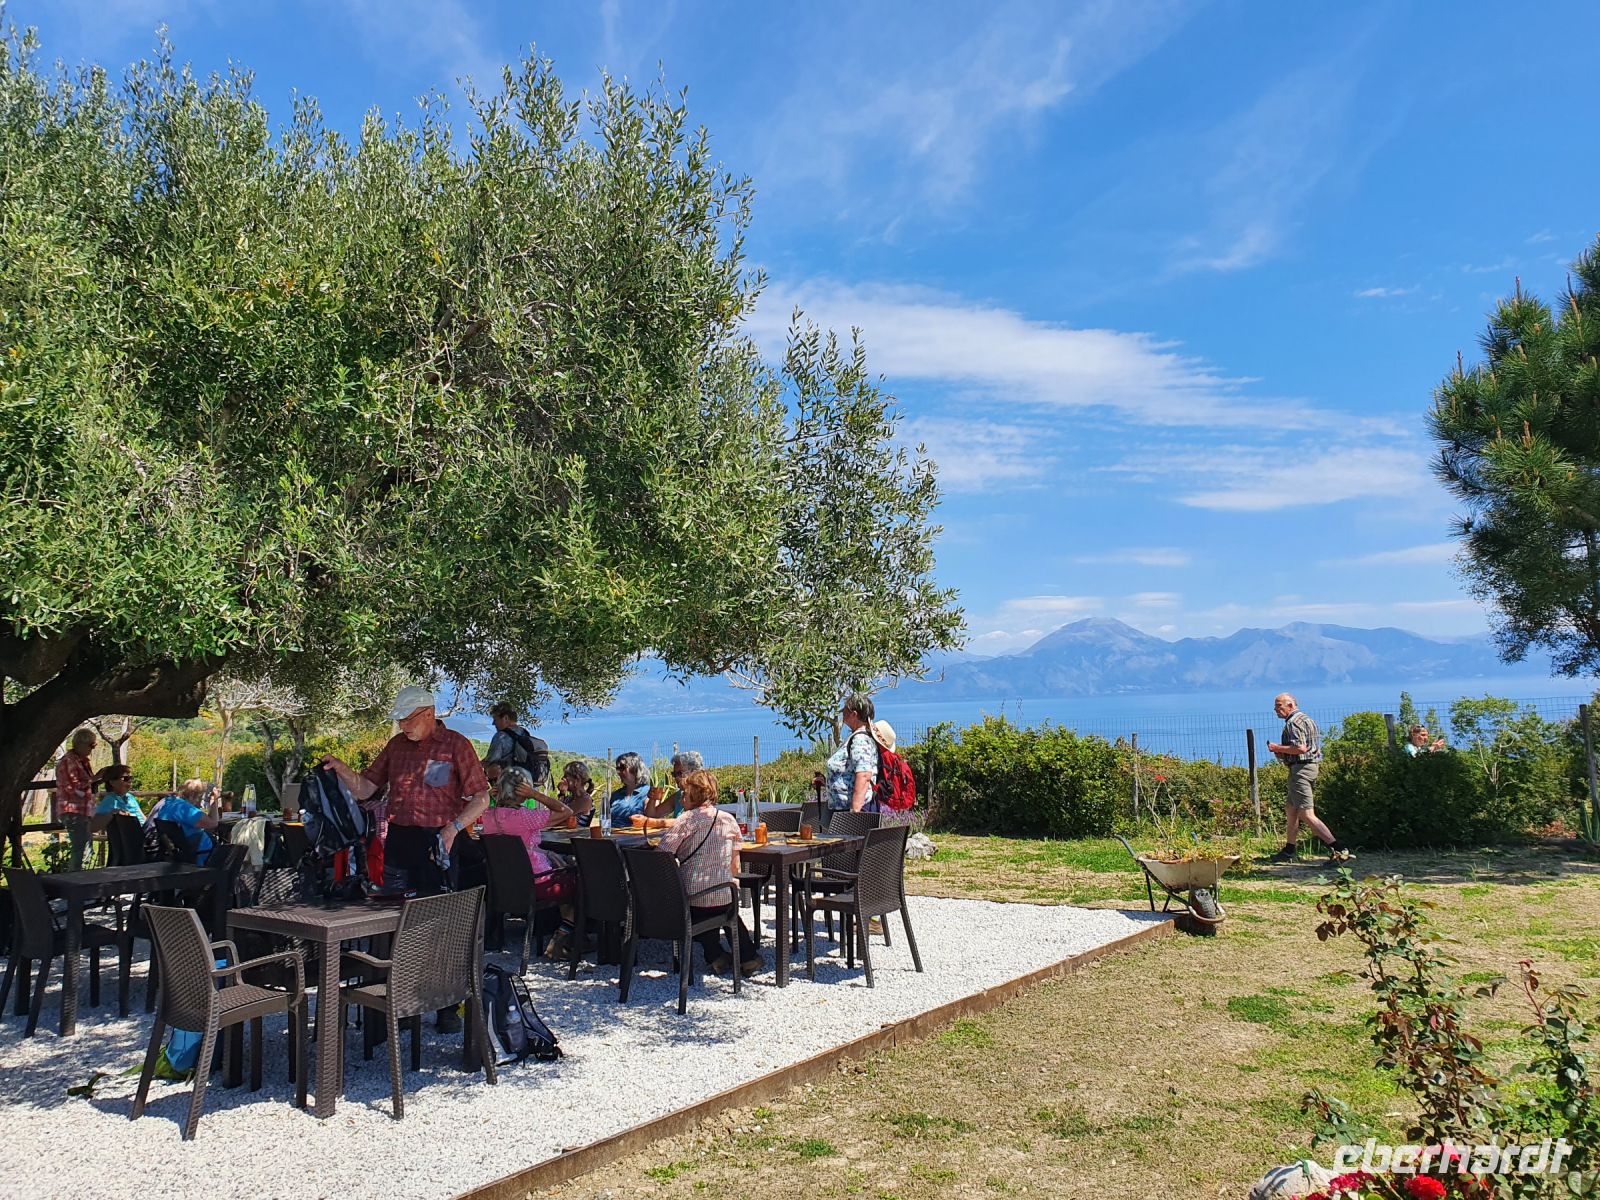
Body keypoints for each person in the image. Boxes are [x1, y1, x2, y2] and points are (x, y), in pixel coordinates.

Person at [322, 685, 490, 1031]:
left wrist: (453, 828)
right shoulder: (396, 746)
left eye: (407, 719)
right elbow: (366, 788)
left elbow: (481, 798)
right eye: (399, 720)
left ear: (428, 714)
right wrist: (341, 769)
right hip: (399, 841)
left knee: (441, 925)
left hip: (440, 842)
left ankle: (446, 1005)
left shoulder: (456, 745)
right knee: (395, 924)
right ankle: (401, 1004)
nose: (402, 726)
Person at [657, 769, 760, 977]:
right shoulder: (729, 820)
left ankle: (715, 955)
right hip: (724, 894)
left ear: (693, 795)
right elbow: (735, 866)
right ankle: (748, 957)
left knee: (695, 907)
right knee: (727, 910)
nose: (682, 798)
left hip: (693, 897)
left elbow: (662, 855)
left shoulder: (686, 820)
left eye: (684, 794)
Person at [1265, 693, 1352, 863]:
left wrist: (1277, 748)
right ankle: (1289, 849)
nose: (1275, 710)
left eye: (1279, 706)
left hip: (1301, 770)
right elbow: (1311, 747)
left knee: (1306, 814)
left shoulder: (1293, 723)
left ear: (1290, 705)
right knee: (1291, 809)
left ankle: (1340, 850)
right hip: (1309, 767)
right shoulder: (1307, 719)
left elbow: (1301, 748)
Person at [143, 778, 220, 864]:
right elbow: (214, 823)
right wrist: (214, 800)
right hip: (201, 855)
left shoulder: (168, 801)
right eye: (200, 797)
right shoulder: (184, 809)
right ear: (192, 795)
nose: (200, 803)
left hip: (179, 853)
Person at [825, 693, 879, 813]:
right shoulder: (857, 737)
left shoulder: (860, 740)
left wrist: (854, 812)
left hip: (854, 811)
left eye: (845, 711)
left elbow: (864, 775)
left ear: (854, 714)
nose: (842, 714)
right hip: (843, 810)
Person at [483, 702, 552, 791]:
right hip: (529, 787)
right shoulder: (524, 732)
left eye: (495, 719)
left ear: (505, 718)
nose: (493, 723)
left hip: (509, 787)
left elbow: (490, 761)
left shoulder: (500, 737)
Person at [54, 728, 97, 870]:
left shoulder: (82, 761)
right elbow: (73, 787)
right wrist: (95, 779)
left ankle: (80, 876)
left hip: (83, 811)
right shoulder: (68, 761)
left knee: (85, 847)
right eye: (91, 745)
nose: (92, 749)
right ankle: (75, 878)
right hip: (73, 810)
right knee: (80, 848)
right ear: (80, 744)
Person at [633, 750, 699, 828]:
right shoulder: (678, 796)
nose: (676, 778)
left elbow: (687, 821)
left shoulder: (701, 795)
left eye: (680, 773)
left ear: (694, 772)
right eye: (674, 774)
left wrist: (651, 822)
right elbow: (653, 815)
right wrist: (652, 799)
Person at [607, 751, 652, 824]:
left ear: (635, 768)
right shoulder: (615, 795)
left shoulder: (648, 793)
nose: (619, 772)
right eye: (618, 769)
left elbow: (652, 819)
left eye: (622, 768)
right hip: (613, 830)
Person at [557, 760, 597, 826]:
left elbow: (558, 817)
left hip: (574, 833)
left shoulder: (585, 800)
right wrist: (562, 794)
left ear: (577, 780)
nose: (562, 778)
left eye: (566, 776)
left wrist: (562, 795)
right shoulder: (569, 799)